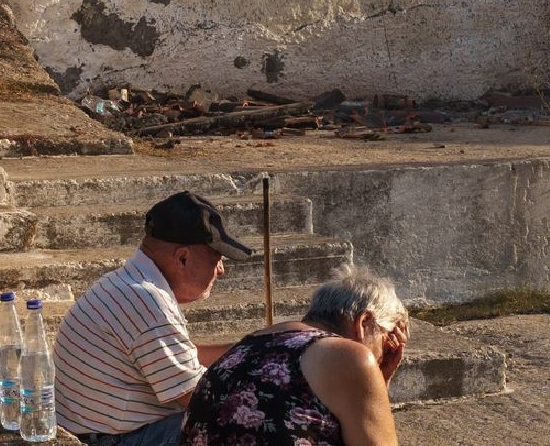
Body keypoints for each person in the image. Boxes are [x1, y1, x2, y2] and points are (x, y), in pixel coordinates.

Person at [54, 191, 255, 446]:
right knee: (252, 421)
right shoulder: (147, 302)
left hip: (102, 429)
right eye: (216, 260)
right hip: (113, 439)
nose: (221, 270)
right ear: (182, 258)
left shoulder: (126, 284)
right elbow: (199, 398)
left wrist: (252, 351)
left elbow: (183, 359)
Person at [181, 268, 410, 446]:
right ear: (364, 322)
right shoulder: (349, 357)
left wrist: (380, 382)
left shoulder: (248, 345)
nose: (386, 353)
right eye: (388, 341)